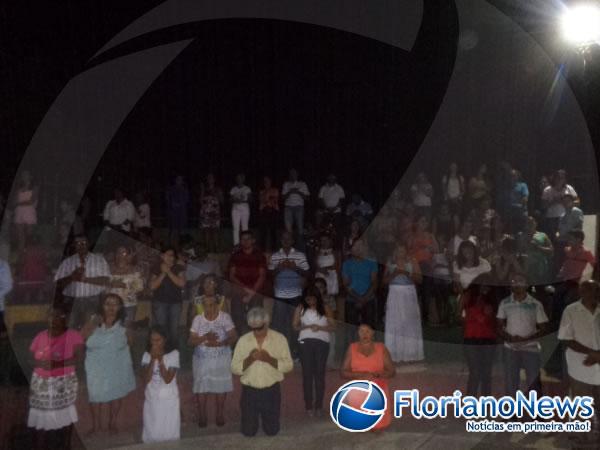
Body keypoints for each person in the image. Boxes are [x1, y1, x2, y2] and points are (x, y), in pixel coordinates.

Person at [28, 304, 84, 450]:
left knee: (64, 416)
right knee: (42, 417)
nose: (54, 319)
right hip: (41, 382)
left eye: (59, 316)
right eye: (50, 316)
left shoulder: (73, 335)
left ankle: (64, 445)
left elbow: (79, 359)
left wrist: (57, 364)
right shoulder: (40, 336)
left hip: (64, 382)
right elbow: (29, 359)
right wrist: (40, 362)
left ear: (65, 318)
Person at [231, 306, 293, 437]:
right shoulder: (243, 340)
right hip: (249, 391)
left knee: (272, 431)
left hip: (271, 390)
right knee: (248, 432)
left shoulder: (279, 339)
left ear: (267, 323)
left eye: (259, 328)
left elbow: (288, 366)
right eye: (253, 328)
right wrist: (249, 359)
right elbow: (235, 368)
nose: (256, 332)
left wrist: (269, 359)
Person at [82, 294, 136, 435]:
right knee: (95, 395)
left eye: (115, 304)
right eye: (107, 303)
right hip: (95, 364)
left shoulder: (125, 322)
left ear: (120, 307)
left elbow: (130, 342)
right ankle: (96, 426)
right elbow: (82, 337)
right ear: (101, 305)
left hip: (116, 362)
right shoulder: (93, 319)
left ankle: (112, 423)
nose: (111, 307)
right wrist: (93, 324)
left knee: (116, 393)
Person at [558, 280, 600, 442]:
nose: (593, 293)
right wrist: (593, 354)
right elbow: (566, 339)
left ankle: (594, 437)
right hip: (580, 365)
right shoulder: (571, 311)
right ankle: (580, 437)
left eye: (596, 289)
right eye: (588, 289)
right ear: (581, 292)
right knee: (581, 403)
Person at [189, 292, 237, 427]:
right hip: (201, 359)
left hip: (221, 357)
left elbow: (234, 336)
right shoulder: (198, 319)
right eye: (206, 305)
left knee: (221, 386)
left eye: (212, 305)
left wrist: (220, 344)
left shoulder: (225, 317)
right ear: (203, 306)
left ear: (217, 305)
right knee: (201, 386)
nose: (209, 308)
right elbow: (190, 341)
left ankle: (220, 414)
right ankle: (202, 415)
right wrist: (205, 337)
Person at [497, 273, 549, 396]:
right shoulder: (504, 303)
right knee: (510, 379)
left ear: (526, 285)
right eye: (513, 281)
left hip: (530, 347)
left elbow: (543, 328)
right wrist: (510, 338)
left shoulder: (535, 304)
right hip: (510, 347)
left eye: (520, 281)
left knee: (533, 380)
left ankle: (536, 410)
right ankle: (511, 410)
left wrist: (526, 339)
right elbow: (498, 326)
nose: (516, 284)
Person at [341, 323, 395, 431]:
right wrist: (362, 375)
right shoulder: (352, 348)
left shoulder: (381, 348)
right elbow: (343, 372)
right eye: (361, 331)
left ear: (373, 332)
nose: (364, 334)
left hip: (378, 388)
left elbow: (392, 371)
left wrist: (377, 374)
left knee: (378, 428)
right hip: (359, 388)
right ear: (358, 333)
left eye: (367, 331)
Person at [292, 287, 335, 416]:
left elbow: (333, 326)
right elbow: (294, 326)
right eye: (308, 299)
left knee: (319, 375)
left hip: (322, 342)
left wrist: (320, 327)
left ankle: (319, 406)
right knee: (307, 374)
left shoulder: (325, 308)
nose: (310, 301)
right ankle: (309, 406)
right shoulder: (300, 308)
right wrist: (306, 327)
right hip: (305, 342)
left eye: (313, 298)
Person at [54, 235, 110, 329]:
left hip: (92, 300)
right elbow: (58, 284)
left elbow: (106, 280)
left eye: (84, 243)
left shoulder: (99, 260)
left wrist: (86, 279)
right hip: (71, 301)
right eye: (78, 243)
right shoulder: (67, 262)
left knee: (90, 328)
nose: (81, 245)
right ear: (74, 245)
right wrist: (72, 277)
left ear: (88, 244)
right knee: (70, 328)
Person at [269, 231, 310, 357]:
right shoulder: (275, 256)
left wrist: (295, 268)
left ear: (293, 241)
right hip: (279, 295)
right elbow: (269, 275)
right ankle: (279, 352)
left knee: (295, 326)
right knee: (278, 325)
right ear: (281, 241)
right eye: (284, 238)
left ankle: (295, 352)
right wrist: (279, 269)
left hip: (296, 296)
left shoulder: (300, 255)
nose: (286, 241)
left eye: (289, 238)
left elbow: (308, 274)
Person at [384, 243, 424, 363]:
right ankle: (393, 354)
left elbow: (420, 279)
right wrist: (394, 274)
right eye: (398, 249)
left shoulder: (412, 261)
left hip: (408, 294)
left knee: (410, 323)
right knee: (394, 323)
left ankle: (411, 355)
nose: (400, 252)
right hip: (394, 294)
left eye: (402, 249)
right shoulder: (390, 262)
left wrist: (407, 274)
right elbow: (383, 281)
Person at [459, 274, 497, 396]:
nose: (485, 287)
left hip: (488, 338)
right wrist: (471, 317)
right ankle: (471, 402)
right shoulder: (467, 296)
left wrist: (490, 315)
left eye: (487, 285)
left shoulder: (493, 299)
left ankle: (486, 401)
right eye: (483, 284)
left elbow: (499, 320)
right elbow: (458, 315)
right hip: (471, 337)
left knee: (486, 372)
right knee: (475, 371)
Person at [141, 325, 181, 443]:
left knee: (169, 429)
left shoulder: (174, 354)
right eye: (152, 340)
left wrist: (160, 359)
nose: (155, 343)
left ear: (165, 339)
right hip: (152, 397)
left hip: (169, 399)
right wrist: (153, 360)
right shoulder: (146, 355)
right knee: (152, 428)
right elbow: (146, 379)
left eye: (158, 340)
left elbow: (168, 379)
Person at [228, 230, 267, 334]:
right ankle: (240, 339)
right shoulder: (235, 255)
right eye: (243, 239)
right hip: (239, 289)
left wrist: (251, 293)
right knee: (236, 313)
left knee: (256, 314)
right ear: (240, 241)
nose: (246, 241)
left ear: (253, 240)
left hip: (255, 290)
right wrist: (244, 289)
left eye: (248, 239)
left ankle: (255, 337)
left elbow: (262, 276)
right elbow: (232, 276)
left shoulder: (259, 255)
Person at [149, 246, 185, 347]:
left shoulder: (178, 267)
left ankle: (173, 351)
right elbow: (152, 286)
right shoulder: (156, 267)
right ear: (162, 256)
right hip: (160, 302)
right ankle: (161, 351)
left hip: (175, 303)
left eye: (172, 255)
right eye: (167, 255)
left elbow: (181, 283)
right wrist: (163, 273)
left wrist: (168, 271)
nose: (170, 257)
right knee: (161, 329)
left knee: (174, 329)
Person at [342, 240, 378, 331]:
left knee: (369, 330)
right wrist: (359, 298)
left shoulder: (372, 262)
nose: (358, 249)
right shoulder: (347, 264)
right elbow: (346, 284)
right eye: (355, 246)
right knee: (351, 330)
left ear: (365, 248)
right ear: (351, 249)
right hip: (352, 299)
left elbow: (374, 282)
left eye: (361, 246)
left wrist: (364, 299)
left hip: (368, 299)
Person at [108, 245, 144, 326]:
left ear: (128, 255)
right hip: (111, 307)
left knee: (126, 332)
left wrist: (125, 286)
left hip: (128, 306)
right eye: (118, 252)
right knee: (112, 330)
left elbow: (140, 288)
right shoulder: (109, 269)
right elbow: (104, 288)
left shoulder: (135, 270)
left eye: (124, 253)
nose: (120, 255)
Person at [541, 170, 578, 240]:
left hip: (566, 217)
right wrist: (554, 201)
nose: (560, 180)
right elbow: (543, 206)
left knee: (566, 238)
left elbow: (577, 201)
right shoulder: (547, 190)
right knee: (553, 238)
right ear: (554, 178)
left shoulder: (569, 188)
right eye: (558, 177)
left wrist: (567, 202)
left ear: (564, 179)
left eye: (562, 178)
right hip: (552, 218)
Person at [282, 169, 310, 249]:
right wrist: (290, 192)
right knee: (288, 229)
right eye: (291, 173)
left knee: (300, 228)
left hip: (299, 207)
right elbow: (283, 197)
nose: (293, 175)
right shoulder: (286, 184)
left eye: (294, 173)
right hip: (288, 207)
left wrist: (298, 192)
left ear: (297, 174)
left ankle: (300, 248)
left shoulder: (302, 184)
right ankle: (289, 247)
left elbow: (307, 198)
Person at [13, 169, 38, 251]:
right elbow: (15, 201)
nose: (24, 176)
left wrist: (20, 203)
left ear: (30, 176)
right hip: (19, 212)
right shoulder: (19, 187)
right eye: (23, 174)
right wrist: (23, 202)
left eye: (26, 174)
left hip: (29, 212)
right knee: (20, 236)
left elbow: (32, 200)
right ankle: (20, 254)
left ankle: (28, 254)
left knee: (28, 236)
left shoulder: (34, 187)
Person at [199, 173, 224, 253]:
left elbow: (222, 201)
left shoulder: (218, 189)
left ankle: (216, 249)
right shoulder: (204, 189)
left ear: (214, 179)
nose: (210, 179)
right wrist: (202, 191)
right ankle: (207, 249)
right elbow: (200, 201)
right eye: (209, 178)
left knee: (215, 230)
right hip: (206, 212)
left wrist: (218, 194)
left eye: (212, 178)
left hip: (215, 212)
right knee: (206, 230)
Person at [314, 233, 341, 300]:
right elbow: (314, 266)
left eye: (326, 240)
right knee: (320, 298)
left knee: (331, 300)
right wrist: (320, 270)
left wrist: (327, 269)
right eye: (322, 240)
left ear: (330, 241)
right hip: (320, 278)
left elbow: (339, 266)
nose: (324, 242)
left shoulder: (336, 252)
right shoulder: (317, 252)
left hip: (332, 278)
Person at [257, 176, 279, 252]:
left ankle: (274, 249)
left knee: (273, 230)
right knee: (263, 231)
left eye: (268, 181)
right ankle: (262, 249)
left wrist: (268, 199)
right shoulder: (262, 191)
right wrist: (267, 195)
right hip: (264, 211)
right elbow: (261, 200)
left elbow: (275, 200)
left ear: (271, 182)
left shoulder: (275, 190)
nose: (266, 183)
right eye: (265, 182)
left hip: (273, 211)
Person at [230, 173, 252, 246]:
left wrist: (242, 201)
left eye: (240, 178)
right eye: (238, 178)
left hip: (245, 209)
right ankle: (236, 245)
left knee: (245, 227)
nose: (239, 179)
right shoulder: (233, 189)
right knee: (235, 228)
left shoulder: (247, 188)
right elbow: (230, 199)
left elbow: (250, 199)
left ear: (243, 179)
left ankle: (246, 244)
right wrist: (235, 200)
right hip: (235, 209)